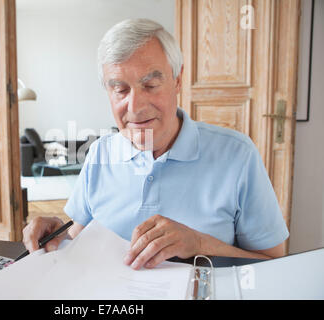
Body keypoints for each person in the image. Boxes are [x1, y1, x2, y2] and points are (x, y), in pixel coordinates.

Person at [22, 18, 289, 270]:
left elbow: (273, 263)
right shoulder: (100, 152)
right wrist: (55, 233)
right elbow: (75, 238)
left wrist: (198, 244)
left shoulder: (237, 155)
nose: (135, 107)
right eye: (121, 89)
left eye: (150, 85)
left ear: (177, 80)